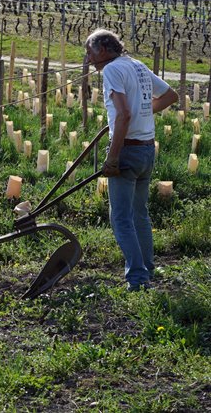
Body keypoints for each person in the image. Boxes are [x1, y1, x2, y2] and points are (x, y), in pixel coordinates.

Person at [85, 29, 178, 291]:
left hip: (127, 150)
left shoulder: (112, 70)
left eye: (89, 53)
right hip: (147, 150)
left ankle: (137, 280)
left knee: (121, 218)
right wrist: (143, 113)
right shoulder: (136, 65)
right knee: (139, 214)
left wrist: (113, 157)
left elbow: (123, 115)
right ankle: (147, 269)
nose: (88, 59)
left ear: (103, 50)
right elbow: (171, 95)